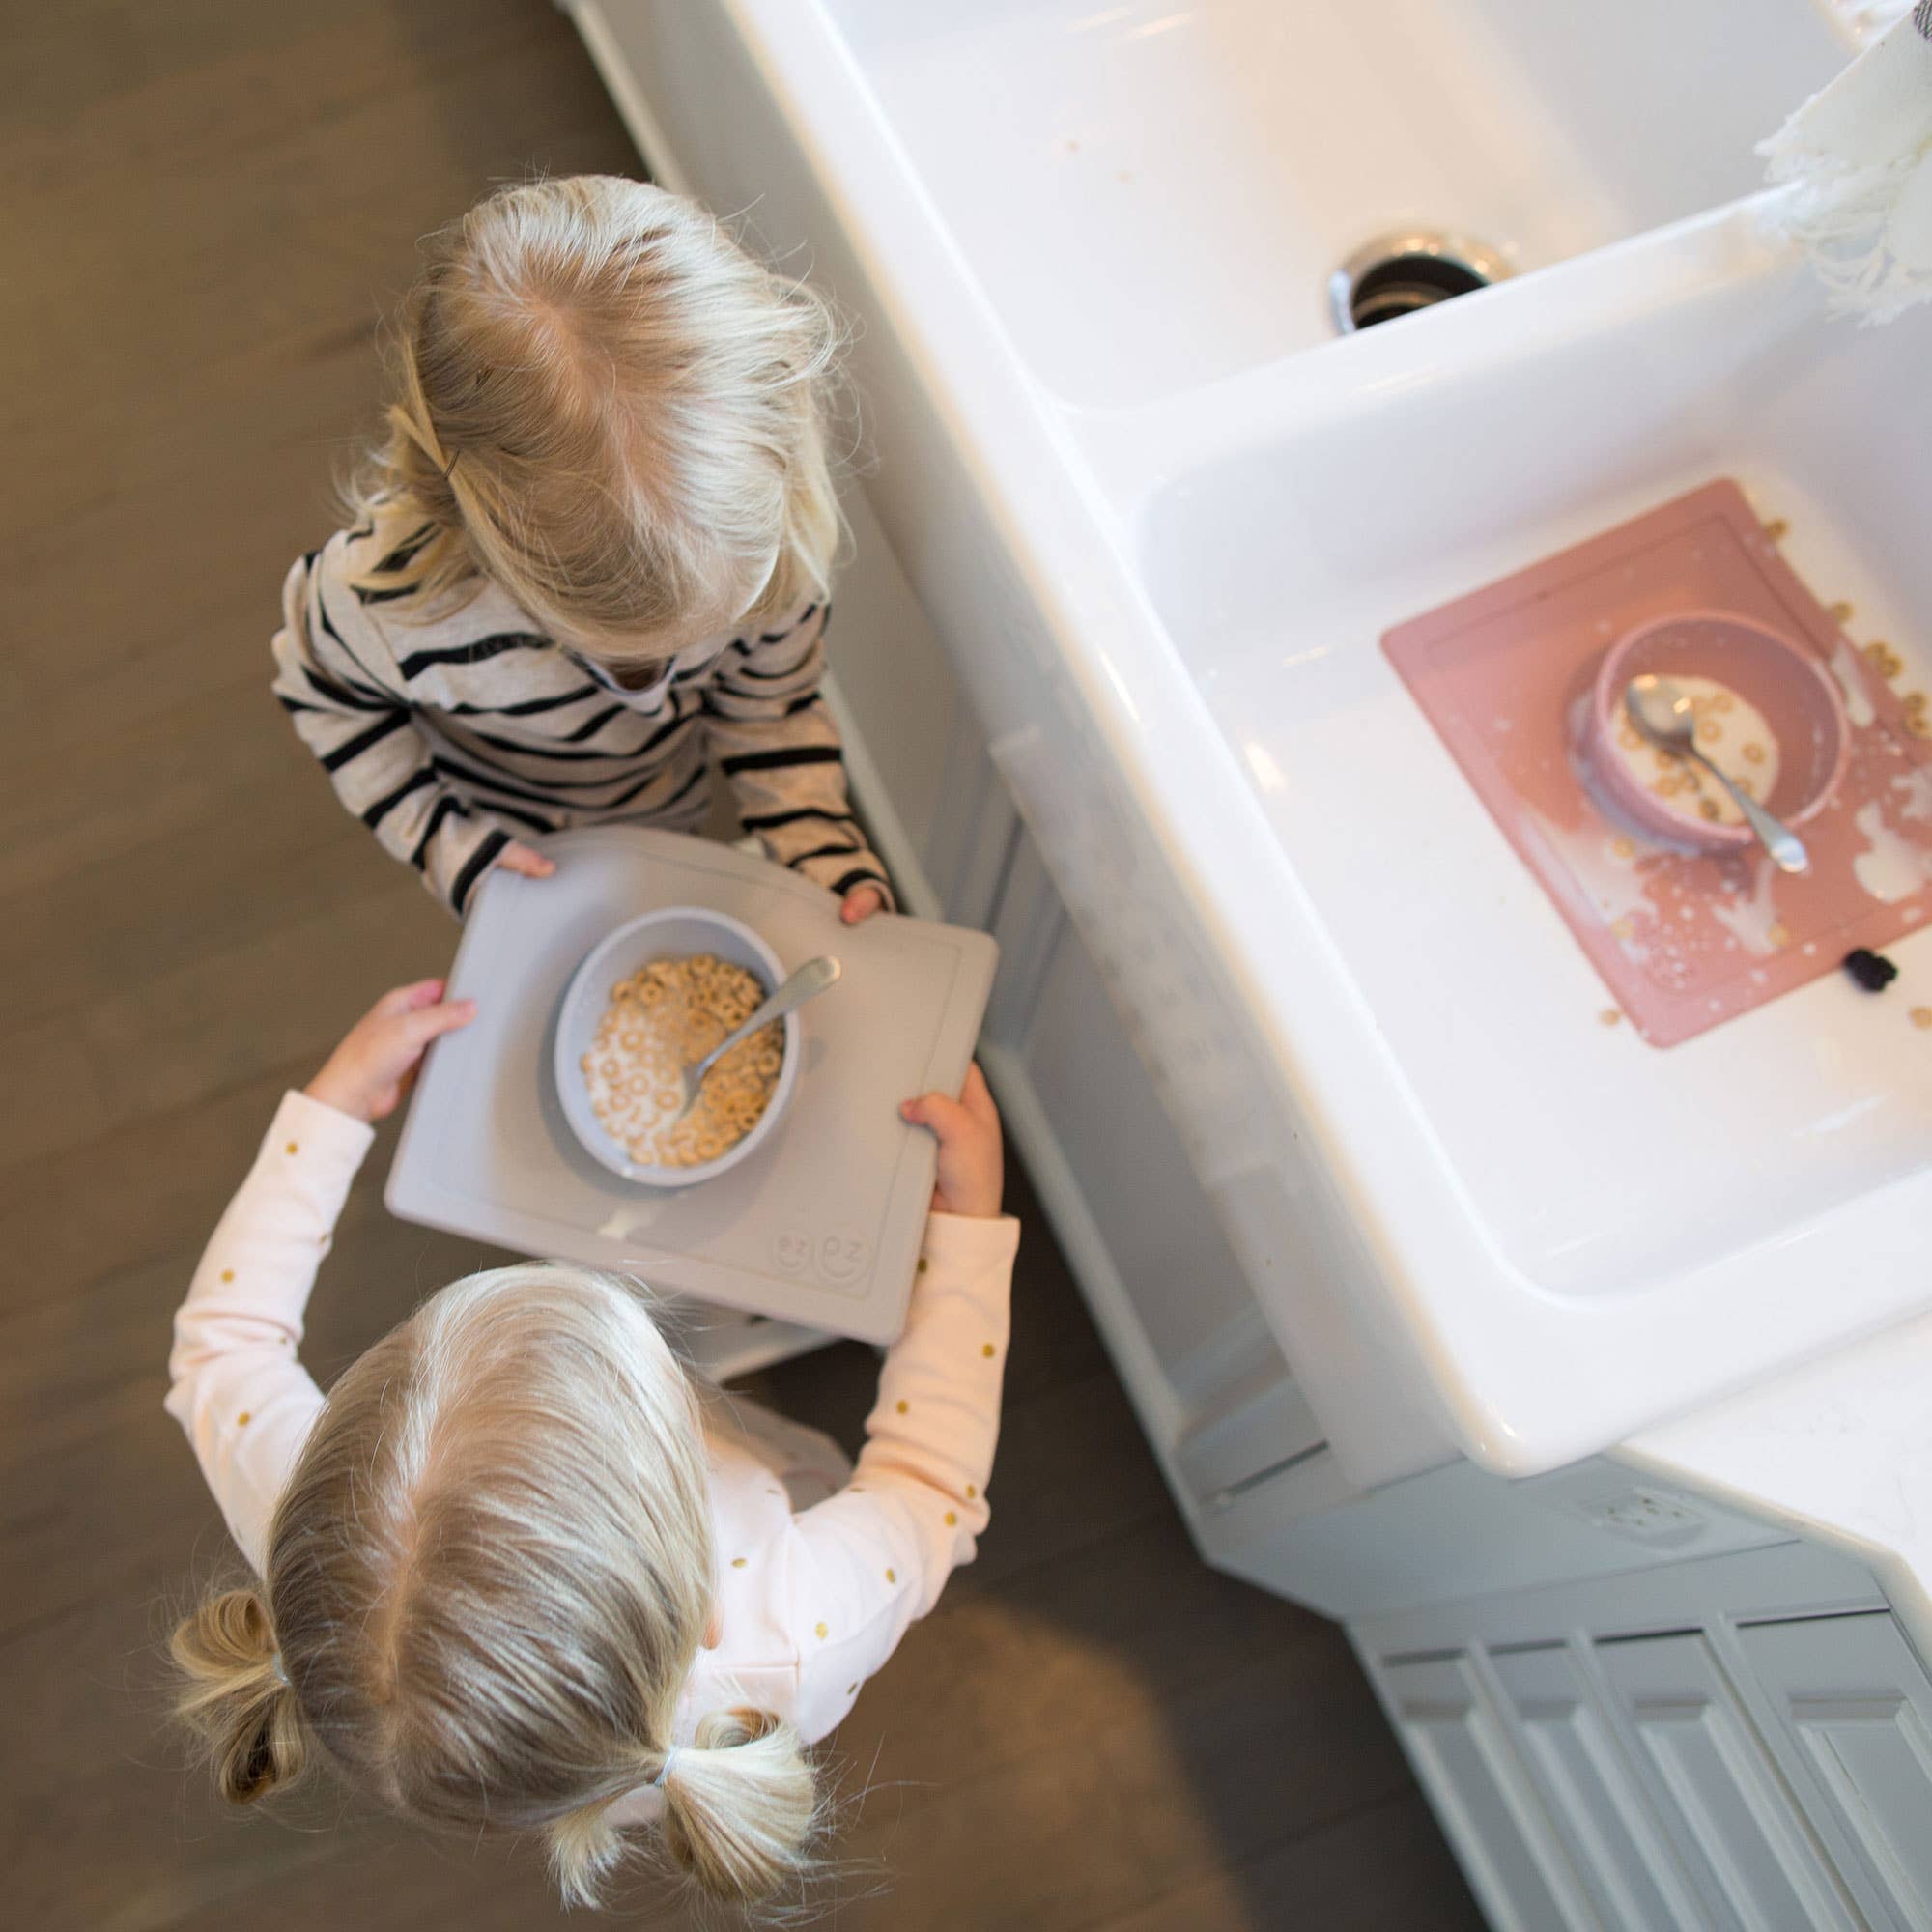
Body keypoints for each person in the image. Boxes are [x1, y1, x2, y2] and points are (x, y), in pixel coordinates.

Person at [167, 980, 1016, 1906]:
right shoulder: (795, 1627)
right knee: (795, 1463)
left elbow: (224, 1344)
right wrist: (966, 1232)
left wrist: (330, 1114)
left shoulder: (316, 1540)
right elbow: (927, 1484)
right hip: (788, 1485)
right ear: (707, 1613)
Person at [270, 175, 891, 921]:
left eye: (691, 646)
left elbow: (769, 708)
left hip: (666, 810)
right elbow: (330, 703)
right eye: (626, 658)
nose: (655, 688)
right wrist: (450, 846)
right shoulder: (383, 607)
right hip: (513, 847)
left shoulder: (764, 535)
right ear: (504, 561)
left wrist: (818, 846)